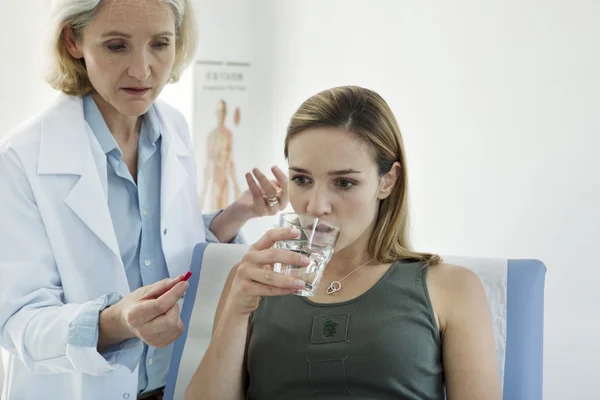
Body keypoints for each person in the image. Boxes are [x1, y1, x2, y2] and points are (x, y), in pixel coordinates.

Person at [0, 1, 286, 399]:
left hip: (176, 382)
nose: (142, 69)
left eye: (160, 44)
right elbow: (18, 321)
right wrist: (116, 321)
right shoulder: (22, 157)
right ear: (73, 41)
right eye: (117, 45)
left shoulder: (174, 129)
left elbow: (171, 244)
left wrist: (238, 213)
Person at [186, 86, 502, 399]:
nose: (315, 205)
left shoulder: (452, 288)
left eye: (344, 183)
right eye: (302, 179)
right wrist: (236, 312)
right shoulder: (252, 282)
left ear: (387, 181)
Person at [199, 99, 242, 211]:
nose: (221, 114)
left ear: (225, 113)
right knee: (214, 215)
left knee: (225, 217)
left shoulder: (229, 135)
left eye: (223, 111)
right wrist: (203, 191)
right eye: (219, 111)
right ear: (216, 113)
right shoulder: (211, 136)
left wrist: (236, 186)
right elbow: (207, 165)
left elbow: (231, 162)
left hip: (225, 183)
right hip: (215, 183)